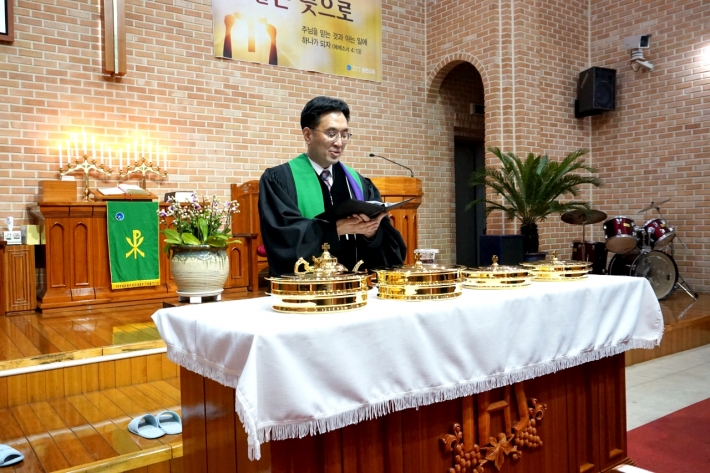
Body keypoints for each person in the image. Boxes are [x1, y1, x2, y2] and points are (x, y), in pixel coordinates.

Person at [258, 96, 407, 276]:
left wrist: (371, 233)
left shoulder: (359, 183)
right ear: (308, 135)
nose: (339, 143)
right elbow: (282, 240)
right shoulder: (279, 179)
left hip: (355, 285)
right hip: (308, 289)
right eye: (331, 133)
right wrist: (335, 229)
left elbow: (391, 252)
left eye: (344, 135)